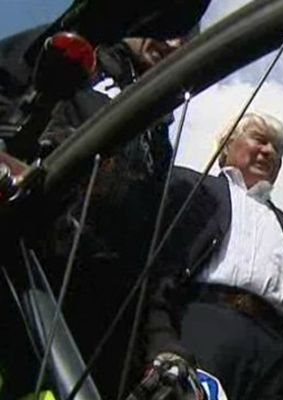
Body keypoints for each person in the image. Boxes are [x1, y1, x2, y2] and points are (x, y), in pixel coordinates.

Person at [0, 24, 196, 398]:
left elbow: (150, 255)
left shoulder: (158, 134)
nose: (173, 42)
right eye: (170, 25)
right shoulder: (69, 43)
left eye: (187, 38)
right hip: (19, 281)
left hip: (97, 324)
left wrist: (162, 342)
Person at [143, 112, 283, 400]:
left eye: (277, 149)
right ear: (226, 145)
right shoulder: (191, 187)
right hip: (202, 326)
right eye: (260, 140)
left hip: (277, 354)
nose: (269, 151)